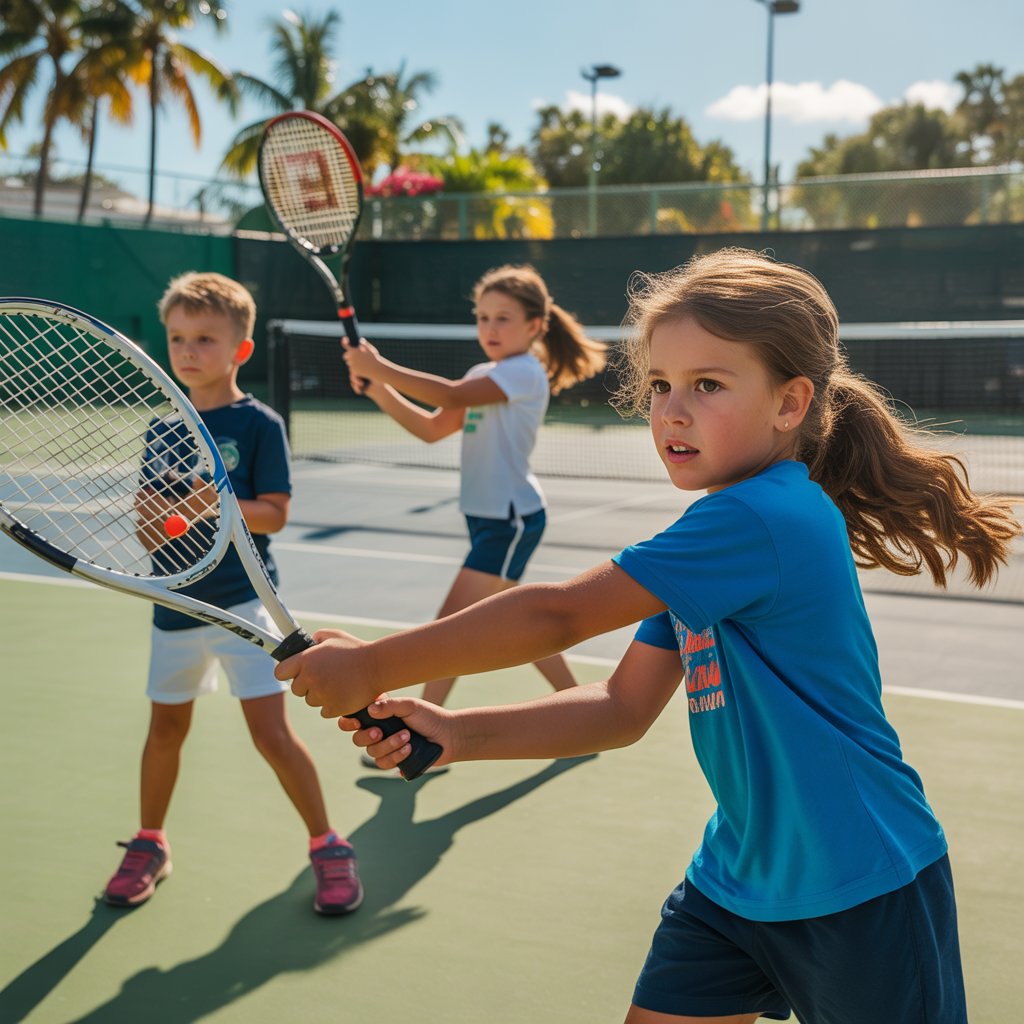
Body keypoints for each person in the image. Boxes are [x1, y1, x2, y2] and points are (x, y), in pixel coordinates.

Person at [278, 248, 1021, 1022]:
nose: (671, 409)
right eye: (661, 384)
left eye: (708, 384)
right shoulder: (713, 535)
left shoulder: (761, 517)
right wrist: (457, 731)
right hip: (738, 881)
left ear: (790, 403)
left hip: (862, 880)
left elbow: (556, 615)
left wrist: (372, 662)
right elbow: (621, 709)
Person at [103, 272, 362, 916]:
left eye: (205, 339)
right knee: (165, 730)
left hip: (245, 609)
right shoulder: (161, 430)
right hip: (177, 605)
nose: (188, 352)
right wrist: (154, 515)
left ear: (239, 349)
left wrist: (213, 505)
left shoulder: (259, 424)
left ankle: (329, 845)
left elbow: (273, 514)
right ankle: (150, 842)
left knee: (271, 736)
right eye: (178, 339)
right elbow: (153, 531)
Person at [342, 263, 606, 720]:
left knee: (450, 627)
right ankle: (585, 707)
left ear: (534, 326)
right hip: (487, 519)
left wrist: (379, 366)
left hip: (509, 521)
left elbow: (449, 396)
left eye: (503, 317)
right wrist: (379, 389)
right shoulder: (485, 372)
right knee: (518, 625)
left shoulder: (524, 372)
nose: (490, 327)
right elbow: (430, 428)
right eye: (482, 317)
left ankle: (420, 724)